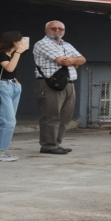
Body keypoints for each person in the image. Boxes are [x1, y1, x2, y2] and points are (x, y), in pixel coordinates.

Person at [33, 20, 86, 155]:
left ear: (64, 30)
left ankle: (56, 143)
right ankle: (48, 145)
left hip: (69, 83)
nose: (57, 31)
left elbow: (83, 59)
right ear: (46, 30)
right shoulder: (42, 44)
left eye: (60, 28)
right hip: (50, 84)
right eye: (53, 28)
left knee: (65, 116)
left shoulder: (66, 44)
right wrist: (73, 61)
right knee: (51, 116)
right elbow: (61, 60)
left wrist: (73, 61)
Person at [0, 32, 28, 161]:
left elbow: (9, 72)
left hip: (11, 85)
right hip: (2, 86)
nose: (21, 43)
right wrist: (18, 53)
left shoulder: (9, 54)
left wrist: (15, 80)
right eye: (19, 40)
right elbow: (9, 68)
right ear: (13, 41)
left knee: (8, 120)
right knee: (8, 121)